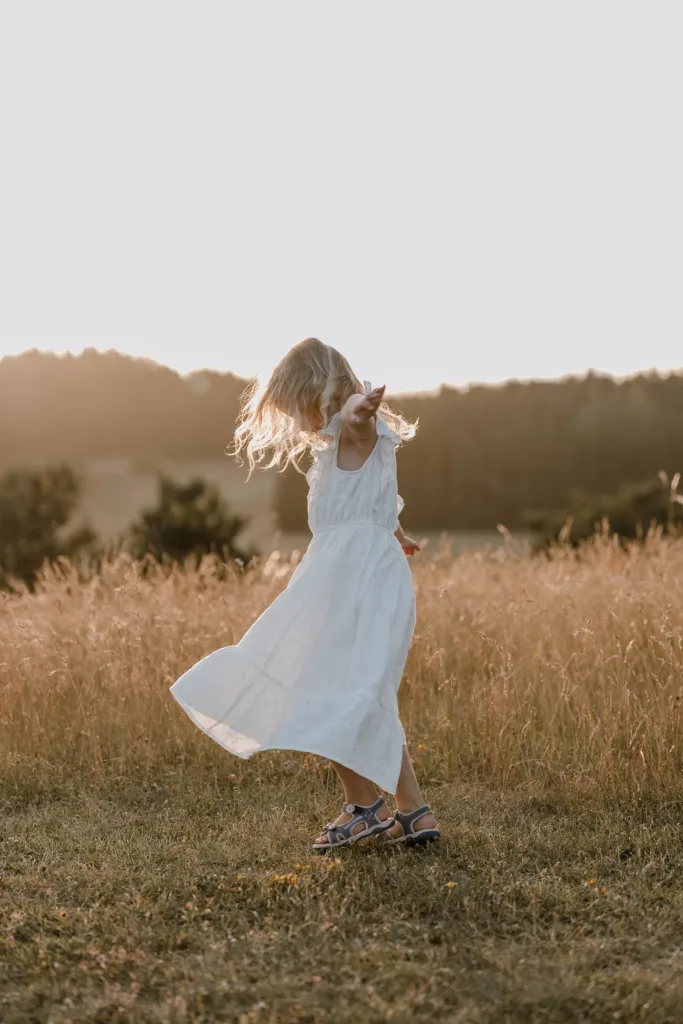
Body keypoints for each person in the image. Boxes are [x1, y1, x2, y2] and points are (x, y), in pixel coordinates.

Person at [169, 337, 440, 851]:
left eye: (296, 408)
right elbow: (378, 501)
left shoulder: (355, 429)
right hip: (358, 573)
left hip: (347, 578)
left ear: (321, 393)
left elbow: (359, 419)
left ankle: (365, 807)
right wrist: (397, 534)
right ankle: (415, 811)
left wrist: (360, 404)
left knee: (325, 685)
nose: (295, 422)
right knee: (359, 691)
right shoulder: (348, 448)